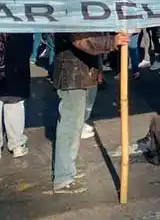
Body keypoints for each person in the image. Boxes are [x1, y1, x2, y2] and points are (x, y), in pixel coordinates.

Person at [52, 31, 130, 194]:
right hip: (72, 76)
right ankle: (63, 177)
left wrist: (98, 69)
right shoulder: (70, 16)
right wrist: (112, 41)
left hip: (84, 74)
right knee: (70, 127)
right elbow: (81, 40)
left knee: (76, 125)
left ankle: (67, 169)